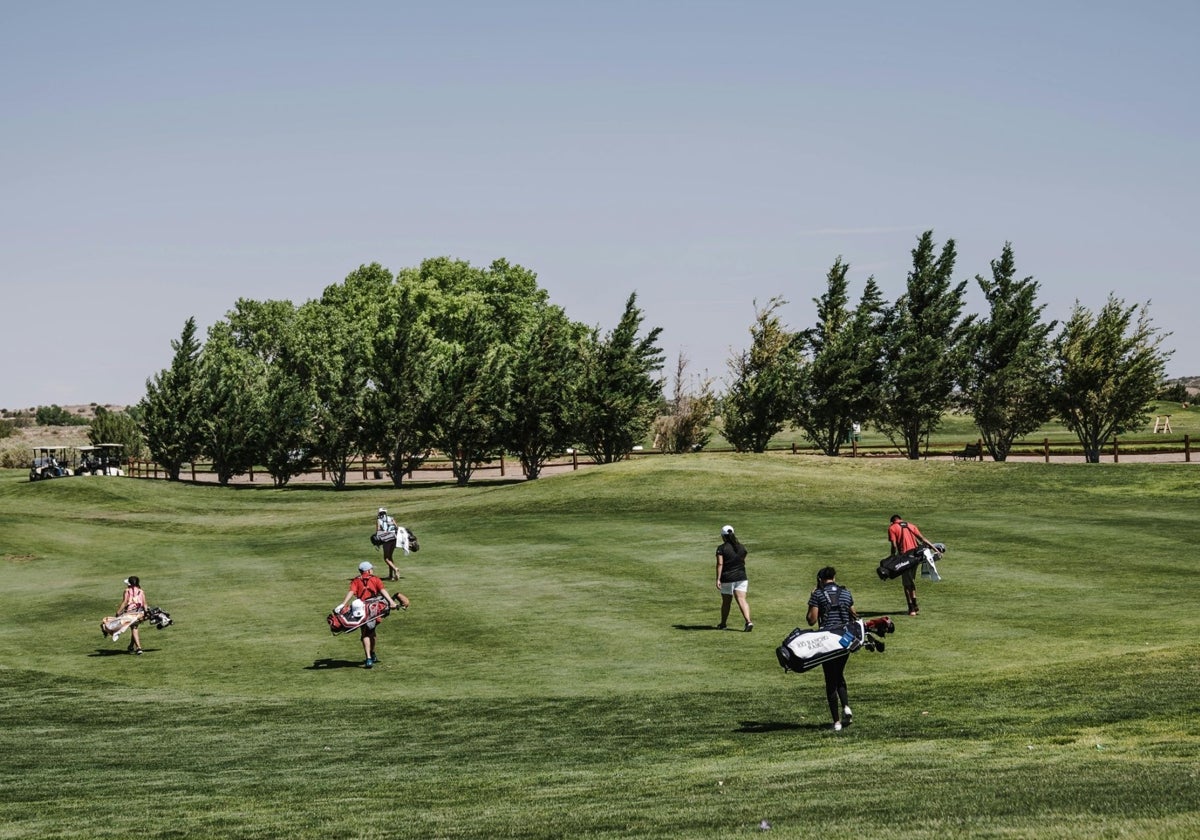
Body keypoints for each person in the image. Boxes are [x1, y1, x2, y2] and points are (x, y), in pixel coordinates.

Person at [806, 566, 858, 731]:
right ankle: (846, 707)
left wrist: (812, 599)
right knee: (839, 674)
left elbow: (811, 620)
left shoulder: (818, 595)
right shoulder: (845, 593)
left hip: (827, 640)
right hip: (844, 639)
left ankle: (836, 722)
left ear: (820, 579)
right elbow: (854, 615)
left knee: (830, 679)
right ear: (834, 577)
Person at [337, 561, 408, 669]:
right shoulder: (375, 579)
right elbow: (382, 591)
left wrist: (343, 604)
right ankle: (370, 657)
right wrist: (391, 602)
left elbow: (351, 592)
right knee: (370, 633)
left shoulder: (356, 580)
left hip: (361, 610)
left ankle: (370, 656)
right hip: (374, 608)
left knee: (367, 633)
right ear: (368, 570)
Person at [888, 514, 938, 616]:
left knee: (906, 584)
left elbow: (893, 545)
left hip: (905, 558)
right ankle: (915, 605)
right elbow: (922, 539)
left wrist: (892, 557)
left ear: (893, 521)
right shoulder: (911, 525)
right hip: (915, 557)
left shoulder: (892, 528)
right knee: (911, 581)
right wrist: (936, 550)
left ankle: (911, 609)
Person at [715, 525, 752, 631]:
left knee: (726, 601)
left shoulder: (721, 548)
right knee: (742, 599)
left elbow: (720, 564)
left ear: (723, 536)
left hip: (727, 577)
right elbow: (743, 557)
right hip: (741, 577)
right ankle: (748, 622)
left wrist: (718, 578)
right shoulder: (741, 547)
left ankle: (723, 624)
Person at [117, 576, 147, 655]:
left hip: (131, 613)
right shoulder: (141, 591)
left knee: (134, 628)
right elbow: (145, 604)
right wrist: (146, 613)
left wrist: (118, 612)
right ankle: (131, 646)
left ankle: (138, 648)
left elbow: (124, 602)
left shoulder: (127, 590)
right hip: (140, 613)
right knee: (134, 628)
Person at [375, 507, 402, 581]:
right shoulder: (391, 518)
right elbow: (397, 528)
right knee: (390, 557)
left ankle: (395, 569)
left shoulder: (379, 520)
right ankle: (391, 576)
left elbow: (378, 531)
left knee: (386, 558)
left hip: (386, 539)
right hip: (394, 538)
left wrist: (377, 541)